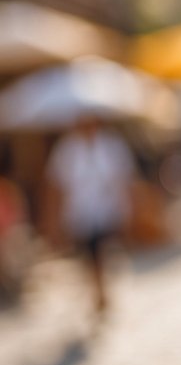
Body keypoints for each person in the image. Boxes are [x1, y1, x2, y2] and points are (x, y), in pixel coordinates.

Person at [45, 113, 136, 314]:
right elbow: (56, 186)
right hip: (79, 213)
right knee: (90, 252)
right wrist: (54, 221)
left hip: (107, 210)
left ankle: (101, 291)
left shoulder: (111, 146)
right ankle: (99, 292)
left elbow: (124, 180)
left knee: (102, 251)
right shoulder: (66, 150)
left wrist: (128, 210)